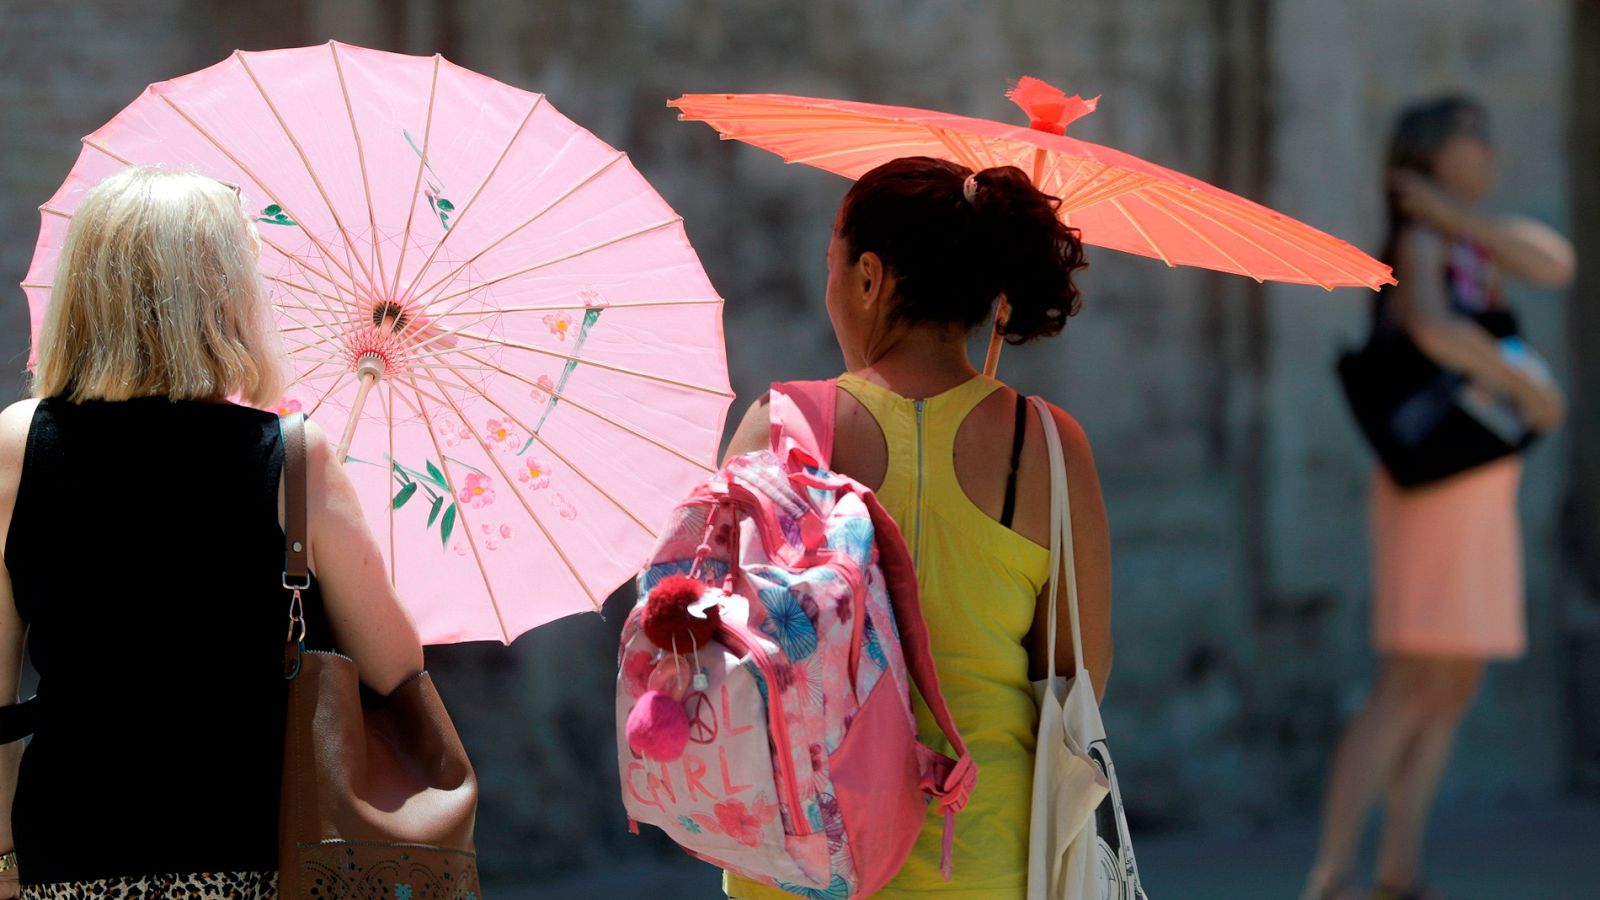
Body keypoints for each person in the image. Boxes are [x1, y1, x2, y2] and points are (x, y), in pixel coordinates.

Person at [0, 166, 425, 898]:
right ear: (224, 297)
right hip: (259, 851)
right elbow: (393, 670)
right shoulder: (296, 457)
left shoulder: (15, 445)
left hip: (69, 852)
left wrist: (4, 857)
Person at [720, 157, 1114, 899]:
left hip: (802, 865)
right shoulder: (1050, 449)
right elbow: (1079, 672)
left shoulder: (778, 430)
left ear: (869, 276)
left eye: (831, 265)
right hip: (984, 859)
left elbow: (725, 654)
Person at [1302, 97, 1574, 900]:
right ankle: (1335, 873)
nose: (1489, 149)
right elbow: (1427, 324)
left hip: (1477, 486)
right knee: (1412, 678)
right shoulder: (1420, 238)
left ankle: (1399, 870)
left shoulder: (1457, 232)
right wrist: (1529, 389)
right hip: (1436, 488)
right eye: (1472, 135)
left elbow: (1555, 263)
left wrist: (1467, 219)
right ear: (1433, 148)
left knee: (1451, 683)